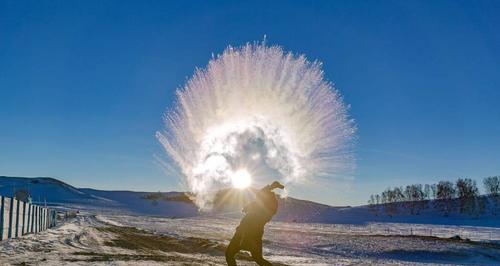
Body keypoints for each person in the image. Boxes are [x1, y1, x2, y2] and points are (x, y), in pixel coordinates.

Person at [225, 181, 284, 266]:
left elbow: (260, 197)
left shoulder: (263, 210)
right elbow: (257, 201)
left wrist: (272, 186)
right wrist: (248, 207)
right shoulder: (266, 209)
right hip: (249, 235)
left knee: (230, 254)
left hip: (247, 235)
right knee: (257, 258)